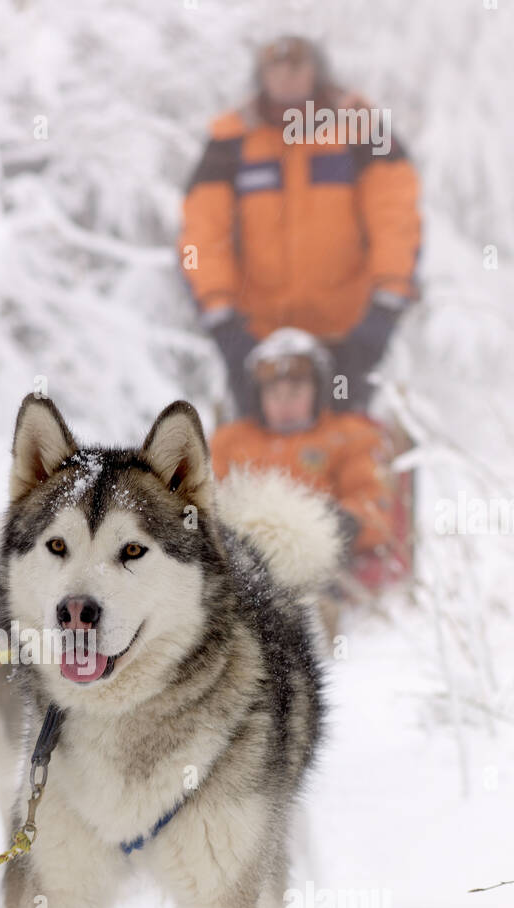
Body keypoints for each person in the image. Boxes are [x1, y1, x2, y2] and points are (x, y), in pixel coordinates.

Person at [180, 35, 421, 413]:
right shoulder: (230, 142)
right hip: (257, 335)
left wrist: (388, 298)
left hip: (347, 332)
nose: (287, 77)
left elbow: (397, 219)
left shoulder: (361, 130)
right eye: (276, 68)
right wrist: (218, 311)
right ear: (262, 76)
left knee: (347, 440)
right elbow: (200, 234)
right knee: (254, 447)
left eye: (297, 67)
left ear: (317, 72)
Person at [210, 329, 411, 590]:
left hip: (328, 568)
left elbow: (374, 502)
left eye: (295, 392)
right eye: (275, 394)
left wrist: (340, 523)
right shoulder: (229, 441)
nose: (284, 404)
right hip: (244, 567)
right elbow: (206, 497)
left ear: (318, 390)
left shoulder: (351, 436)